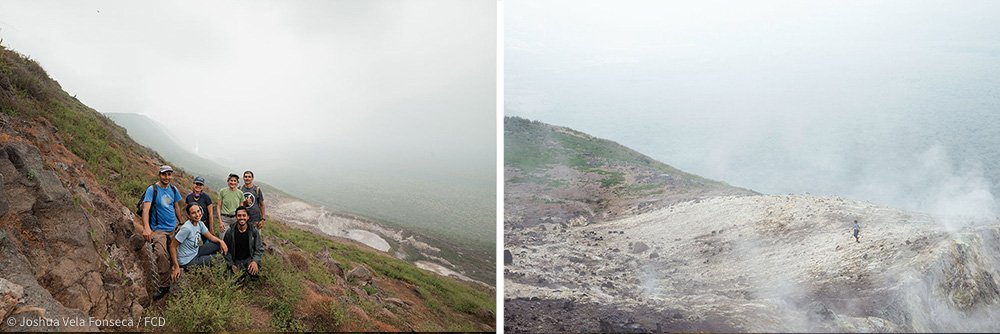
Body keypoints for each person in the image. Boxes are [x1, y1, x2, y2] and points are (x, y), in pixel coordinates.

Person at [140, 165, 185, 299]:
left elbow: (176, 206)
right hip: (159, 229)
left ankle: (175, 270)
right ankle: (164, 285)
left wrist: (181, 222)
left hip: (173, 226)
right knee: (160, 253)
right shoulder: (152, 189)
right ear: (159, 175)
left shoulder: (173, 189)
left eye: (169, 174)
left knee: (175, 252)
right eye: (164, 174)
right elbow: (145, 210)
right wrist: (147, 228)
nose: (167, 177)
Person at [170, 204, 228, 283]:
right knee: (219, 258)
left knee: (218, 245)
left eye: (198, 211)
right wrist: (176, 266)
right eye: (193, 213)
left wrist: (221, 241)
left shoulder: (199, 223)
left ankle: (220, 265)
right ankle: (221, 278)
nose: (197, 215)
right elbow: (172, 246)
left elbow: (210, 237)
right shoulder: (186, 228)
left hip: (196, 251)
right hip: (187, 260)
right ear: (189, 216)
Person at [223, 206, 264, 280]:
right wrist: (231, 264)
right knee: (231, 279)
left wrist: (255, 261)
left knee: (256, 275)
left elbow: (259, 248)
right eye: (239, 215)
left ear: (248, 217)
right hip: (236, 260)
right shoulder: (229, 232)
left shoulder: (254, 231)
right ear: (236, 217)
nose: (242, 218)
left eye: (244, 215)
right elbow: (226, 251)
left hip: (249, 259)